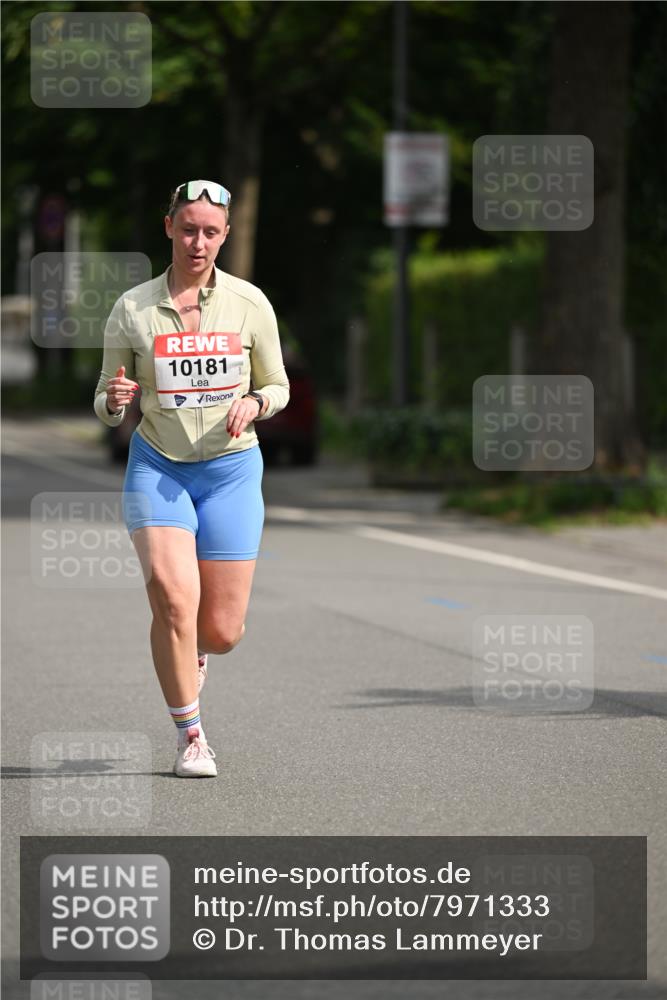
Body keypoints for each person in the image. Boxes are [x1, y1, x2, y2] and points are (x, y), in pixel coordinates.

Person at [93, 179, 290, 777]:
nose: (197, 241)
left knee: (221, 631)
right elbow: (105, 398)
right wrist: (116, 399)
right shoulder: (132, 308)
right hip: (159, 467)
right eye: (187, 229)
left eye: (210, 232)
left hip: (230, 470)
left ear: (225, 235)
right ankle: (191, 736)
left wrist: (255, 403)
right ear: (169, 228)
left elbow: (277, 385)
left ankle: (199, 651)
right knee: (172, 598)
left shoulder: (251, 304)